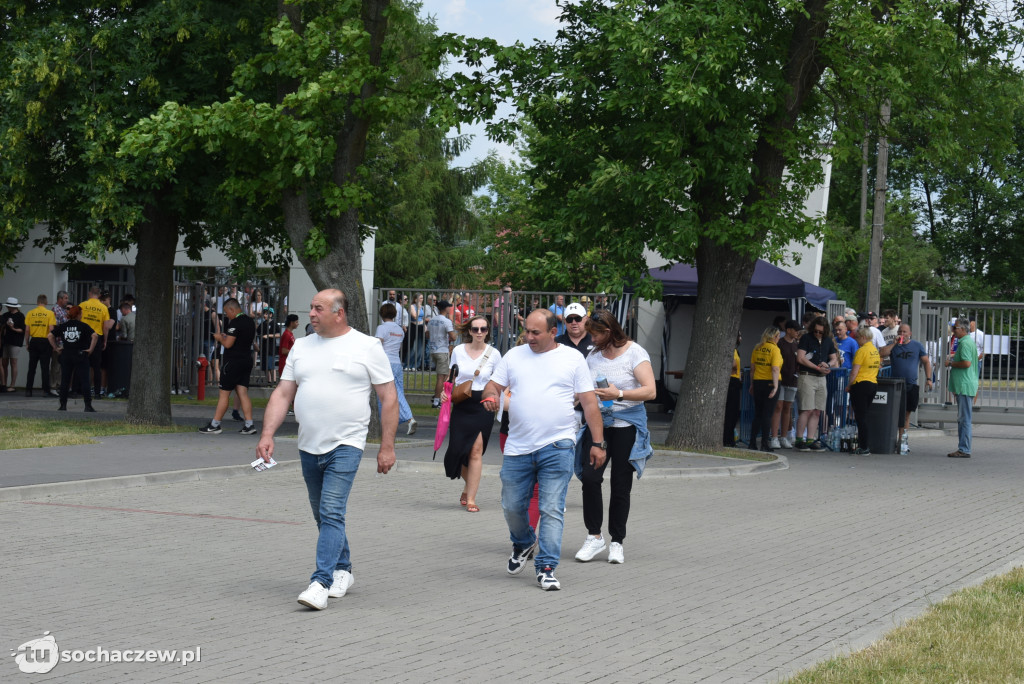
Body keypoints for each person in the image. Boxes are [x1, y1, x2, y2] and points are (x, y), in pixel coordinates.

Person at [256, 289, 398, 610]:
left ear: (339, 313)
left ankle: (320, 582)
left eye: (318, 308)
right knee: (323, 515)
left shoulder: (367, 346)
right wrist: (267, 434)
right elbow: (282, 394)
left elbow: (388, 397)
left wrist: (386, 446)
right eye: (311, 308)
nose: (312, 314)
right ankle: (343, 569)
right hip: (308, 445)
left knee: (332, 511)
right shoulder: (302, 347)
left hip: (347, 443)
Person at [481, 309, 606, 591]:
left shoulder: (572, 358)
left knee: (551, 508)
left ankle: (546, 567)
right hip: (518, 446)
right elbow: (494, 384)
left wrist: (597, 443)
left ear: (553, 332)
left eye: (536, 332)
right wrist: (491, 394)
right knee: (511, 506)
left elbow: (588, 403)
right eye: (526, 331)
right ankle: (524, 542)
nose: (529, 337)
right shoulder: (514, 356)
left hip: (558, 445)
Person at [573, 309, 655, 565]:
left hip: (626, 425)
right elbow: (585, 390)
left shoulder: (635, 353)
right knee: (590, 477)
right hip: (599, 424)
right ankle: (594, 536)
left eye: (595, 334)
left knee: (621, 485)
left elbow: (650, 391)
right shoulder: (593, 355)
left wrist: (618, 394)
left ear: (608, 332)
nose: (591, 339)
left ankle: (617, 541)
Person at [442, 315, 501, 512]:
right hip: (462, 403)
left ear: (487, 332)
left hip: (482, 405)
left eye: (483, 329)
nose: (479, 333)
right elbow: (452, 377)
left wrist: (496, 398)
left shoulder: (494, 354)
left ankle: (472, 498)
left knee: (476, 450)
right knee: (457, 452)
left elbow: (499, 381)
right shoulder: (458, 351)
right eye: (475, 329)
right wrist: (445, 392)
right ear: (469, 331)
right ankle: (468, 485)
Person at [198, 298, 257, 435]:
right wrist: (227, 336)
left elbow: (228, 344)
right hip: (246, 360)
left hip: (233, 362)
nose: (226, 315)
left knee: (224, 394)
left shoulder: (235, 322)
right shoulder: (249, 321)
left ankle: (215, 424)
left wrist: (220, 338)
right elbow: (241, 339)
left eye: (226, 312)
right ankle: (249, 424)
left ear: (232, 309)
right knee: (243, 393)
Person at [880, 323, 933, 451]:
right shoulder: (894, 346)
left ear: (910, 334)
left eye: (904, 332)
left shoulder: (916, 346)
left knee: (906, 414)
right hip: (896, 385)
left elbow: (926, 361)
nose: (902, 334)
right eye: (900, 332)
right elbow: (882, 353)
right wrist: (894, 343)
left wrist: (929, 379)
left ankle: (902, 441)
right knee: (894, 413)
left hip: (910, 384)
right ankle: (892, 440)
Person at [795, 316, 838, 452]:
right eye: (816, 331)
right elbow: (800, 358)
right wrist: (816, 367)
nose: (818, 333)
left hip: (821, 378)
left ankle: (810, 438)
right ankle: (799, 439)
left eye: (820, 332)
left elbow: (834, 358)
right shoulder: (806, 338)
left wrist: (828, 364)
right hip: (808, 376)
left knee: (817, 410)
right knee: (806, 409)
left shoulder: (828, 341)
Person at [374, 302, 417, 435]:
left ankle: (409, 418)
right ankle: (389, 422)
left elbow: (377, 345)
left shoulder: (382, 328)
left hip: (384, 363)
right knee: (396, 391)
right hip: (397, 362)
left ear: (381, 314)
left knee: (386, 393)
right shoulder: (399, 329)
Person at [48, 305, 98, 412]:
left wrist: (56, 348)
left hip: (66, 354)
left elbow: (50, 336)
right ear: (79, 314)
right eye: (81, 314)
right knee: (85, 380)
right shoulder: (83, 326)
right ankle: (88, 405)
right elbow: (95, 336)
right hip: (80, 354)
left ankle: (63, 405)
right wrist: (90, 349)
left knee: (65, 381)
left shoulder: (63, 326)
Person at [946, 317, 977, 458]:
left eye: (955, 328)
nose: (953, 330)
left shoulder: (964, 343)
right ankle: (964, 447)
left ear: (963, 329)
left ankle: (964, 449)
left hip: (964, 385)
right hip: (965, 384)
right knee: (964, 418)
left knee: (964, 419)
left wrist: (951, 363)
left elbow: (966, 363)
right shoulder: (967, 342)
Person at [847, 325, 880, 456]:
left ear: (863, 337)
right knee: (864, 415)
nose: (856, 340)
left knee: (860, 417)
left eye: (857, 338)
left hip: (860, 384)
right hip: (872, 384)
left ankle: (864, 446)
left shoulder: (861, 351)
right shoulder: (874, 350)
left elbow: (855, 370)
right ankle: (865, 444)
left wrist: (849, 384)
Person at [748, 327, 781, 452]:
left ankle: (752, 442)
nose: (779, 339)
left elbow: (752, 368)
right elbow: (775, 369)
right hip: (770, 382)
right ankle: (764, 443)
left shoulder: (757, 348)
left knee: (758, 413)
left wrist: (752, 384)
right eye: (778, 337)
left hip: (757, 382)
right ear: (774, 337)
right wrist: (776, 385)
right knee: (767, 414)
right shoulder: (775, 349)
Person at [770, 320, 800, 449]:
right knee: (778, 406)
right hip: (781, 379)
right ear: (788, 330)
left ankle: (784, 437)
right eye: (795, 330)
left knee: (788, 407)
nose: (797, 332)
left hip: (793, 380)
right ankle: (774, 437)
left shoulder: (796, 345)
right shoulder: (780, 343)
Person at [78, 286, 109, 400]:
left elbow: (77, 320)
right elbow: (105, 327)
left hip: (84, 337)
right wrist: (104, 340)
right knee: (96, 367)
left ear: (89, 293)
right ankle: (97, 393)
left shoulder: (82, 305)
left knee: (82, 364)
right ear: (99, 295)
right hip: (97, 337)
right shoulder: (103, 308)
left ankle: (81, 390)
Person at [24, 294, 56, 397]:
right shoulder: (50, 314)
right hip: (45, 342)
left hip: (34, 341)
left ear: (37, 302)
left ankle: (28, 390)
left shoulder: (30, 313)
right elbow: (51, 330)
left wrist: (27, 343)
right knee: (45, 368)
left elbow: (27, 330)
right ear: (46, 302)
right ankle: (46, 391)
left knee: (32, 368)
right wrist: (54, 344)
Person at [427, 300, 456, 408]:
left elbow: (427, 334)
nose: (450, 309)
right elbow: (452, 337)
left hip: (433, 350)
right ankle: (436, 401)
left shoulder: (431, 320)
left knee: (441, 376)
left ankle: (437, 397)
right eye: (449, 307)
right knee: (442, 377)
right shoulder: (446, 321)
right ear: (446, 308)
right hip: (442, 350)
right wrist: (454, 336)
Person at [1, 296, 26, 392]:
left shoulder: (20, 316)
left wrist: (13, 328)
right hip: (5, 341)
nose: (8, 307)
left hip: (15, 342)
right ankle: (4, 383)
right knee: (4, 363)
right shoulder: (5, 315)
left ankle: (12, 384)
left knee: (13, 362)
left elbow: (22, 330)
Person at [723, 332, 742, 447]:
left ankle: (729, 438)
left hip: (734, 381)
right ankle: (728, 439)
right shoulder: (732, 350)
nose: (741, 338)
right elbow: (733, 364)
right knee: (731, 413)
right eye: (739, 336)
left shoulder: (734, 350)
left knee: (732, 413)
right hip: (732, 381)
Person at [50, 290, 69, 391]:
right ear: (60, 299)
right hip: (58, 342)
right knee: (56, 365)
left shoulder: (64, 310)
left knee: (62, 365)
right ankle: (54, 385)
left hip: (64, 341)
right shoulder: (56, 309)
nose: (67, 300)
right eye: (65, 298)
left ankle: (60, 385)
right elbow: (55, 327)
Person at [968, 316, 985, 406]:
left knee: (974, 382)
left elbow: (985, 350)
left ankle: (972, 404)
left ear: (973, 323)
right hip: (966, 362)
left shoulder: (980, 334)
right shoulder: (966, 333)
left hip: (976, 362)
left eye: (969, 322)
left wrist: (976, 359)